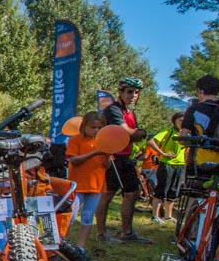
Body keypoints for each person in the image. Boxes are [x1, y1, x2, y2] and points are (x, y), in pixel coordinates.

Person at [96, 77, 150, 244]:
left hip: (126, 156)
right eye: (129, 92)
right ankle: (101, 234)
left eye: (136, 93)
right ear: (120, 92)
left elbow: (133, 137)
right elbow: (127, 132)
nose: (133, 95)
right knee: (108, 194)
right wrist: (138, 132)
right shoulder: (114, 110)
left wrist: (137, 133)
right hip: (113, 156)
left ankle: (127, 233)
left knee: (132, 193)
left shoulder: (130, 112)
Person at [66, 111, 110, 249]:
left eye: (99, 128)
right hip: (77, 184)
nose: (96, 130)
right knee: (71, 216)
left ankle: (81, 246)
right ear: (84, 126)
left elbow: (106, 165)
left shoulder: (103, 142)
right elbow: (73, 160)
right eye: (93, 127)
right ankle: (65, 244)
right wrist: (94, 153)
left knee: (87, 216)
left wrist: (107, 155)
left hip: (96, 185)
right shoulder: (75, 140)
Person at [147, 112, 187, 224]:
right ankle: (155, 215)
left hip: (180, 165)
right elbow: (150, 141)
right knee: (161, 189)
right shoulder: (168, 132)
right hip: (166, 164)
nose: (182, 123)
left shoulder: (186, 134)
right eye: (180, 120)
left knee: (174, 190)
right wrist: (163, 153)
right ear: (174, 121)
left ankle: (168, 216)